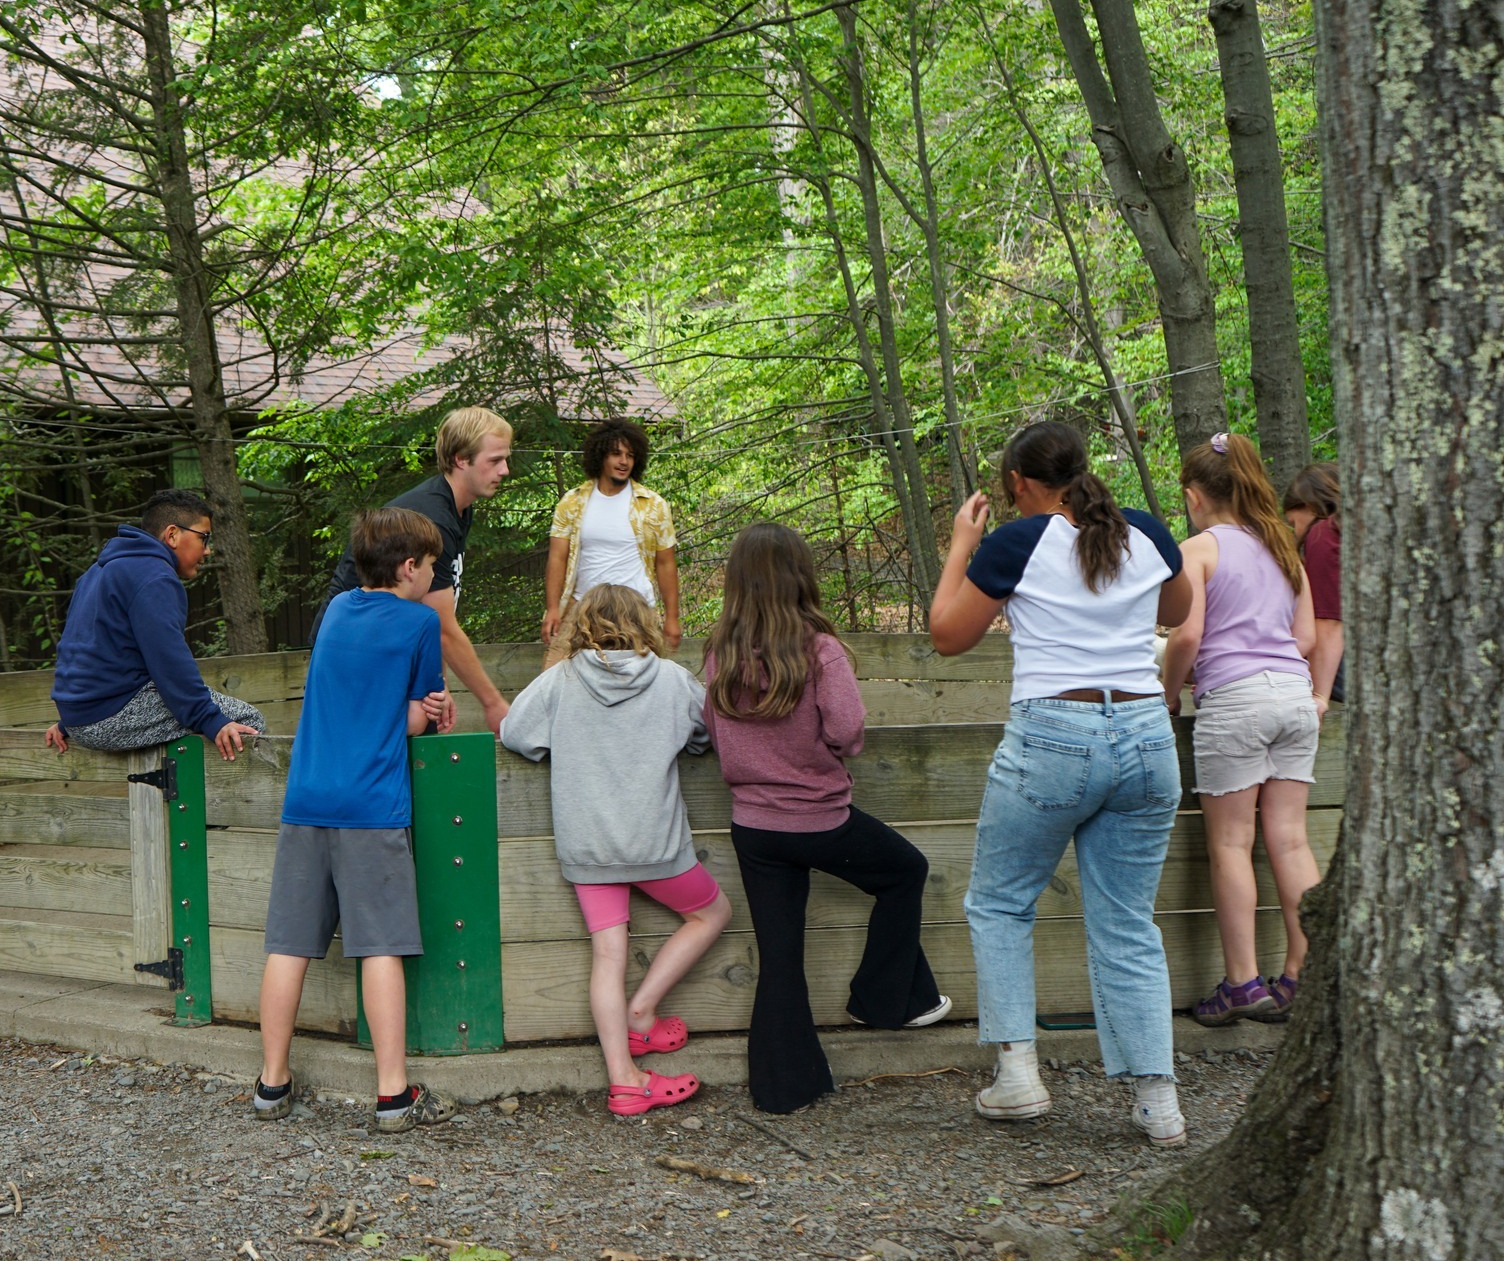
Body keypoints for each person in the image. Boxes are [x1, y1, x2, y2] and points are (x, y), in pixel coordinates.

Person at [929, 420, 1193, 1149]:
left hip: (1055, 734)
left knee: (1001, 900)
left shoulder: (1015, 544)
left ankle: (1018, 1076)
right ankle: (1159, 1102)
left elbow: (947, 634)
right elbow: (1176, 611)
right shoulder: (1144, 532)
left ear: (1018, 482)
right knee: (1127, 920)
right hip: (1145, 735)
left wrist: (960, 544)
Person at [702, 523, 947, 1116]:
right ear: (799, 577)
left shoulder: (720, 652)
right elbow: (846, 730)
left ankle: (784, 1089)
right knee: (905, 871)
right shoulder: (819, 649)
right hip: (818, 820)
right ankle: (882, 999)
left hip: (755, 828)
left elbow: (713, 734)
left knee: (780, 954)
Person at [254, 508, 455, 1133]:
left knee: (289, 944)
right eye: (432, 564)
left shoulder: (336, 610)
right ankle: (393, 1094)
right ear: (408, 568)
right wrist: (435, 709)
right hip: (372, 806)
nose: (436, 573)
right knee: (380, 946)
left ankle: (270, 1084)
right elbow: (410, 721)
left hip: (308, 799)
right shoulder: (422, 623)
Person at [501, 584, 729, 1118]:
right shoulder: (673, 680)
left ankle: (625, 1080)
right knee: (711, 913)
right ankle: (643, 1014)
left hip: (588, 847)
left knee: (608, 955)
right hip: (657, 846)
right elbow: (709, 732)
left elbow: (515, 734)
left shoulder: (559, 680)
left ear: (581, 626)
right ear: (645, 623)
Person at [1162, 434, 1321, 1025]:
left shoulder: (1197, 551)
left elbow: (1185, 636)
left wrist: (1170, 691)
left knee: (1231, 844)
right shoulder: (1284, 550)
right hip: (1294, 699)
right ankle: (1302, 975)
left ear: (1193, 496)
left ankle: (1241, 984)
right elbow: (1304, 639)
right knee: (1291, 840)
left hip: (1235, 701)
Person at [316, 407, 515, 734]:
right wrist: (493, 703)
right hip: (358, 651)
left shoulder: (458, 509)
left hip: (392, 645)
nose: (505, 470)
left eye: (505, 459)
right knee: (400, 743)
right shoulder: (433, 518)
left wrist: (439, 684)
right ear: (461, 459)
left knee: (425, 730)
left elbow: (431, 616)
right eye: (494, 460)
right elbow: (443, 629)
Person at [45, 489, 264, 758]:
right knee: (245, 723)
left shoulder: (97, 572)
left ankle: (171, 795)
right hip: (108, 716)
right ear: (172, 535)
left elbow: (82, 648)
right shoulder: (154, 576)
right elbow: (168, 660)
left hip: (80, 715)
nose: (207, 550)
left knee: (206, 717)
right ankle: (202, 802)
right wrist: (211, 719)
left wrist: (70, 720)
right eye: (203, 538)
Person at [542, 419, 682, 657]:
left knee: (641, 687)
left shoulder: (653, 505)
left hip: (637, 613)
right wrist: (553, 608)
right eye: (616, 453)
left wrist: (672, 617)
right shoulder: (572, 502)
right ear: (600, 456)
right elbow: (558, 558)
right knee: (560, 679)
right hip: (581, 611)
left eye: (630, 455)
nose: (624, 461)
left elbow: (665, 563)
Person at [1283, 461, 1344, 707]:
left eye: (1292, 523)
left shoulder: (1323, 534)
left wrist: (1319, 695)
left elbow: (1328, 622)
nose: (1295, 533)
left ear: (1309, 506)